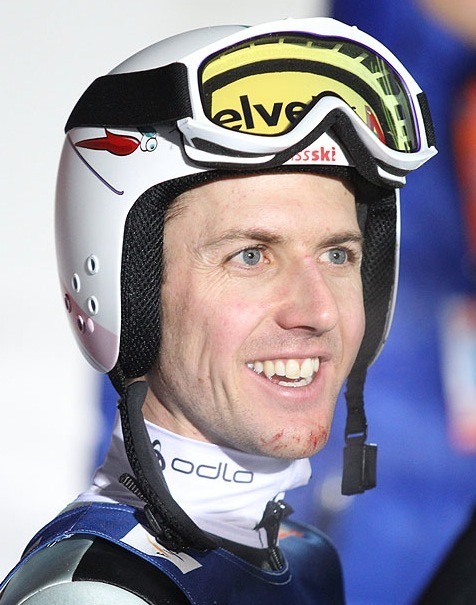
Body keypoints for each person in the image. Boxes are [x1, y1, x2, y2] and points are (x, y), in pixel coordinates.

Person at [0, 17, 436, 604]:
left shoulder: (299, 556)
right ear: (129, 290)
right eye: (250, 256)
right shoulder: (102, 594)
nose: (318, 311)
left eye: (338, 254)